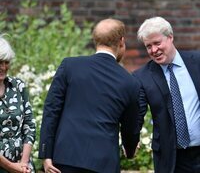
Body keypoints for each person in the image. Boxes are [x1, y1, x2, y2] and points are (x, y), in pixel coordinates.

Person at [38, 18, 140, 173]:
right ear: (121, 41)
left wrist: (46, 154)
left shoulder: (70, 66)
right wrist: (130, 150)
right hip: (103, 164)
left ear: (95, 40)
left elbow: (51, 110)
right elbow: (130, 128)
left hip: (64, 159)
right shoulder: (129, 82)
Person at [132, 16, 200, 173]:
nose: (154, 50)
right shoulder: (142, 77)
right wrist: (131, 141)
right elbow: (137, 114)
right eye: (148, 46)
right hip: (172, 159)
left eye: (157, 43)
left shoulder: (197, 61)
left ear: (170, 37)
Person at [0, 36, 36, 173]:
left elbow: (29, 124)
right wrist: (11, 167)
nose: (3, 67)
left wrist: (24, 163)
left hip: (22, 165)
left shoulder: (18, 86)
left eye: (6, 62)